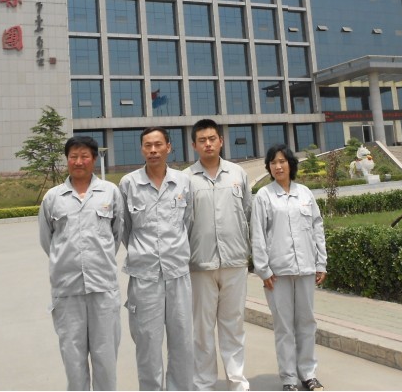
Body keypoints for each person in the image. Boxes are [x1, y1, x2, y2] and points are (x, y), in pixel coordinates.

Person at [38, 135, 124, 391]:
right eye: (73, 156)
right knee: (73, 359)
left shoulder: (110, 192)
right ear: (67, 160)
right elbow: (48, 241)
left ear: (94, 159)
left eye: (84, 156)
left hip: (103, 288)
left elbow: (116, 234)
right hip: (67, 290)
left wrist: (96, 259)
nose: (78, 161)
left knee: (106, 357)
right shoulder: (53, 197)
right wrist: (69, 260)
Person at [119, 127, 194, 391]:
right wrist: (143, 252)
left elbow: (188, 222)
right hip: (144, 277)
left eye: (158, 144)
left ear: (168, 147)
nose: (153, 150)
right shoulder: (129, 184)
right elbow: (124, 229)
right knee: (147, 343)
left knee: (182, 342)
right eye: (147, 145)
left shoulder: (183, 182)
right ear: (141, 149)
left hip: (178, 274)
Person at [251, 143, 327, 392]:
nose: (278, 166)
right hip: (277, 273)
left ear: (291, 164)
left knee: (307, 322)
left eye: (282, 161)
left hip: (305, 268)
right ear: (269, 167)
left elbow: (317, 228)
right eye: (273, 162)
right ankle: (288, 379)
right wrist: (263, 270)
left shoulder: (305, 194)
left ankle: (308, 374)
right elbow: (257, 235)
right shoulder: (264, 196)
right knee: (284, 327)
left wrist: (321, 263)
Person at [184, 119, 252, 391]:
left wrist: (251, 255)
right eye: (202, 140)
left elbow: (248, 213)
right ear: (194, 145)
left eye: (212, 139)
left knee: (233, 325)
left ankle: (237, 382)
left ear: (221, 141)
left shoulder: (238, 174)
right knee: (202, 330)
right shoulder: (185, 179)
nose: (208, 144)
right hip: (200, 264)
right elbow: (181, 223)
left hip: (234, 262)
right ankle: (204, 384)